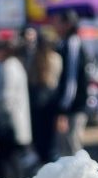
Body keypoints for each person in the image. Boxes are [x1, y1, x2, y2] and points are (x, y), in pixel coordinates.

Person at [0, 39, 33, 178]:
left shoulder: (9, 67)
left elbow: (6, 97)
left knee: (8, 161)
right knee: (10, 159)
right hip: (11, 120)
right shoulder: (12, 65)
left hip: (9, 121)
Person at [52, 11, 89, 155]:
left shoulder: (72, 44)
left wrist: (63, 108)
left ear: (67, 24)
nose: (55, 26)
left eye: (58, 22)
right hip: (69, 105)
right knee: (66, 147)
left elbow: (71, 79)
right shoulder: (64, 43)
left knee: (73, 147)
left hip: (74, 106)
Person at [29, 31, 63, 163]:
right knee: (50, 136)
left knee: (38, 134)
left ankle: (40, 159)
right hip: (51, 100)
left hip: (36, 100)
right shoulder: (57, 58)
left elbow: (30, 79)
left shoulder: (33, 58)